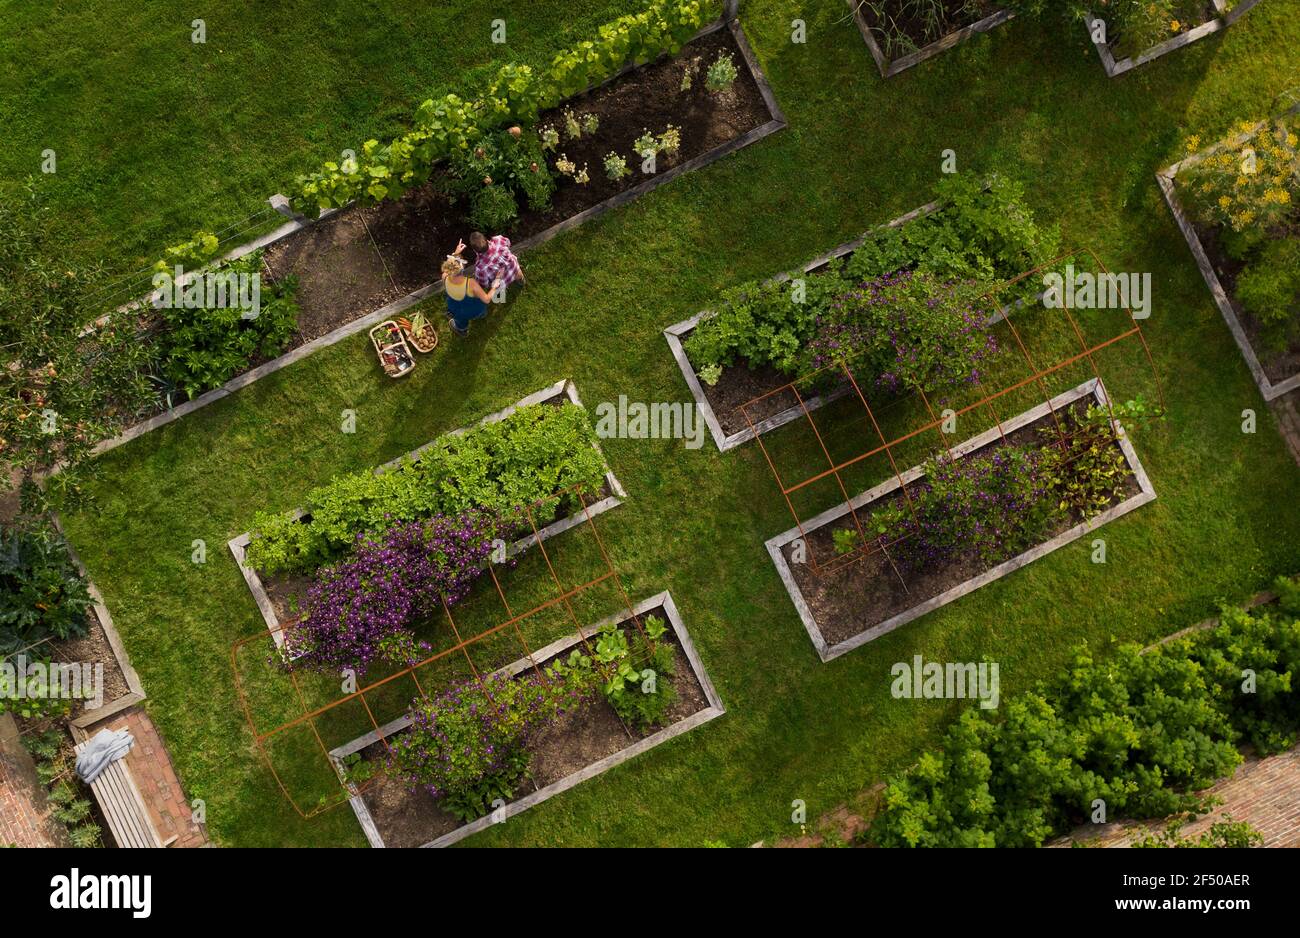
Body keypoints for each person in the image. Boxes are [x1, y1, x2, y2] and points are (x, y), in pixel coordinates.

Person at [442, 254, 500, 337]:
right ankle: (482, 315)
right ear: (462, 268)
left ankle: (462, 330)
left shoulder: (444, 277)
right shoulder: (470, 283)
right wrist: (495, 286)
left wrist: (455, 253)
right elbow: (487, 299)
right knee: (481, 310)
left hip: (455, 309)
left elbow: (449, 266)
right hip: (473, 310)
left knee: (460, 321)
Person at [456, 231, 524, 294]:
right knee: (519, 274)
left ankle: (502, 290)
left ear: (475, 250)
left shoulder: (481, 268)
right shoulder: (498, 240)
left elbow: (483, 283)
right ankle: (521, 281)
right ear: (487, 240)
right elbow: (508, 243)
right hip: (513, 270)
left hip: (501, 282)